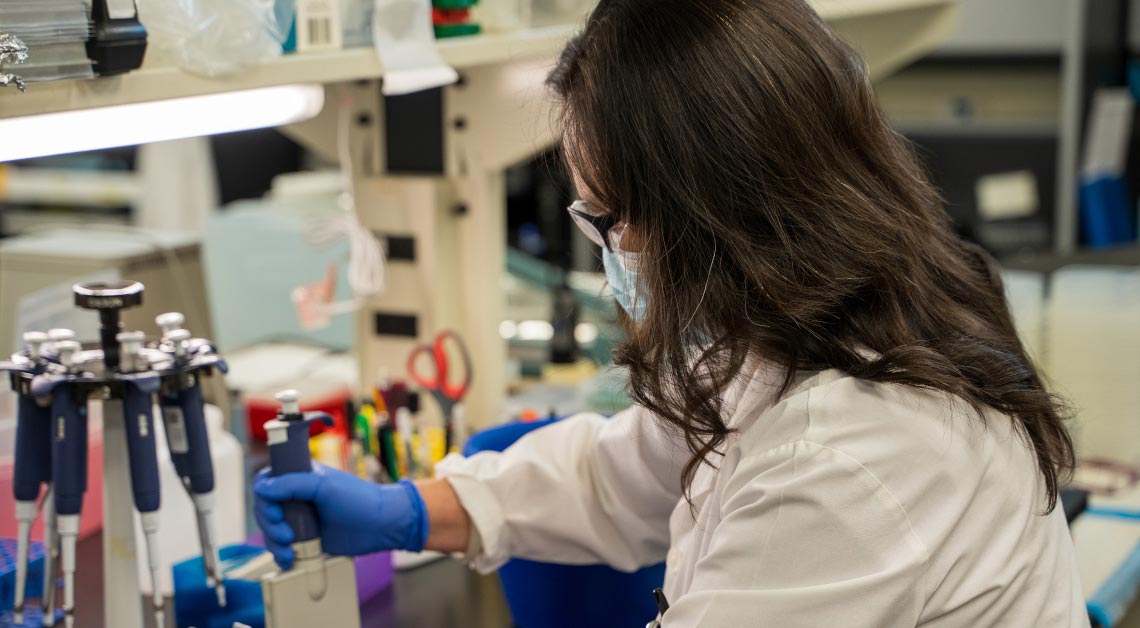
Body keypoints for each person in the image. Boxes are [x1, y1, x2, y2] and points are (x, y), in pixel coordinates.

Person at [253, 0, 1088, 625]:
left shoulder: (850, 458)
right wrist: (409, 511)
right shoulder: (811, 326)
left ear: (712, 211)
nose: (609, 251)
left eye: (610, 219)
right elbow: (626, 472)